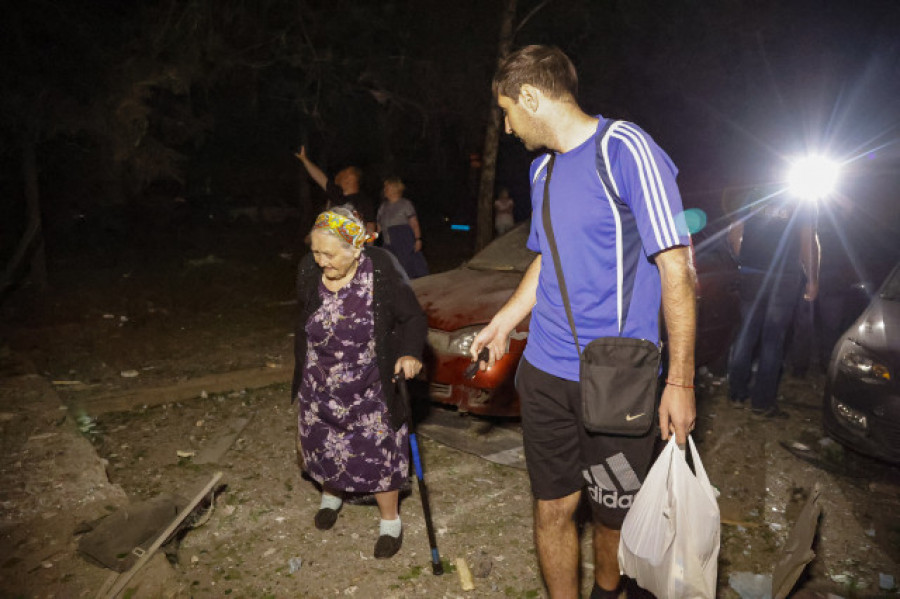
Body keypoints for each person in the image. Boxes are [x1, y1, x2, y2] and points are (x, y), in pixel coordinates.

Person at [470, 45, 696, 599]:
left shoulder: (625, 148)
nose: (506, 124)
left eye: (506, 110)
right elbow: (547, 258)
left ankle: (607, 591)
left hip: (615, 378)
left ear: (530, 97)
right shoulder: (541, 169)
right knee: (552, 506)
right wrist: (505, 321)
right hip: (546, 372)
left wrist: (681, 381)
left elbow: (678, 267)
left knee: (612, 514)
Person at [291, 206, 427, 559]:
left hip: (370, 384)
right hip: (319, 383)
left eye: (330, 254)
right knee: (324, 444)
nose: (321, 261)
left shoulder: (380, 268)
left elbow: (412, 318)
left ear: (355, 248)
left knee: (379, 455)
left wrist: (410, 353)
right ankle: (332, 496)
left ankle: (390, 522)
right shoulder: (309, 269)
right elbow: (303, 315)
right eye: (316, 252)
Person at [727, 187, 819, 418]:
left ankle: (736, 394)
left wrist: (745, 260)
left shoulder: (754, 195)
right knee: (773, 340)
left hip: (751, 274)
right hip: (784, 276)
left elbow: (734, 232)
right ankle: (761, 404)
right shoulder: (803, 199)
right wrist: (812, 279)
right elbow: (808, 241)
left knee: (746, 333)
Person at [295, 146, 376, 236]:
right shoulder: (336, 194)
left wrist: (368, 248)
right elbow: (320, 177)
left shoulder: (364, 201)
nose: (342, 176)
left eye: (347, 174)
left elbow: (370, 227)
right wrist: (305, 160)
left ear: (353, 178)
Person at [377, 177, 429, 279]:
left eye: (387, 187)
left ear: (394, 188)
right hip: (388, 243)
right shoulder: (383, 206)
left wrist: (418, 239)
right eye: (384, 188)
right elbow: (379, 226)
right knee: (390, 267)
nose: (384, 190)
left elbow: (414, 223)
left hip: (403, 240)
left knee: (408, 267)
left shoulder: (405, 204)